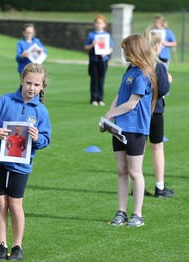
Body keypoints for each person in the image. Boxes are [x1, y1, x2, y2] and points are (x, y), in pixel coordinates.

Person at [0, 63, 51, 260]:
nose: (31, 87)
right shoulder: (4, 100)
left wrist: (38, 138)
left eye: (36, 85)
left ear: (42, 87)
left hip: (21, 164)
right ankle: (2, 245)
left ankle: (17, 246)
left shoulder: (41, 111)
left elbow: (46, 139)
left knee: (15, 205)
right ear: (21, 80)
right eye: (28, 82)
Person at [100, 34, 157, 227]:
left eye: (126, 50)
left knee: (135, 172)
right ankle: (121, 211)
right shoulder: (130, 70)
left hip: (136, 129)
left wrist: (110, 114)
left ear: (135, 50)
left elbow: (132, 103)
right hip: (120, 128)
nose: (123, 53)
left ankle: (137, 214)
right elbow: (120, 95)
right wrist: (108, 116)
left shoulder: (143, 74)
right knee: (122, 170)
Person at [145, 30, 174, 197]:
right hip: (155, 112)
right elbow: (162, 90)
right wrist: (168, 81)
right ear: (156, 46)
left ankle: (137, 186)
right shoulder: (159, 66)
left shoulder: (137, 64)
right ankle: (159, 187)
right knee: (157, 148)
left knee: (138, 150)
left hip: (139, 113)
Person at [84, 15, 114, 106]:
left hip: (103, 59)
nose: (98, 25)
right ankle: (93, 98)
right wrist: (92, 44)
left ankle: (100, 98)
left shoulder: (107, 35)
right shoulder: (91, 35)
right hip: (94, 59)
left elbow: (111, 47)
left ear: (104, 24)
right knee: (94, 79)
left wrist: (107, 52)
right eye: (97, 23)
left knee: (101, 79)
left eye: (100, 23)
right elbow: (86, 47)